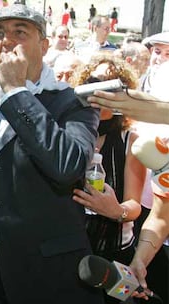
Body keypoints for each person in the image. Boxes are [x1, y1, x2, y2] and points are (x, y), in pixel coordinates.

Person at [0, 4, 104, 304]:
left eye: (20, 32)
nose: (7, 41)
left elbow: (68, 167)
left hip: (48, 276)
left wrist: (16, 92)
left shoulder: (72, 103)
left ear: (44, 45)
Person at [70, 55, 146, 304]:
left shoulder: (130, 140)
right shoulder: (70, 133)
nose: (101, 91)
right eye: (95, 82)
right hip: (72, 246)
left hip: (114, 251)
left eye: (111, 85)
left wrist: (116, 211)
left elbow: (135, 204)